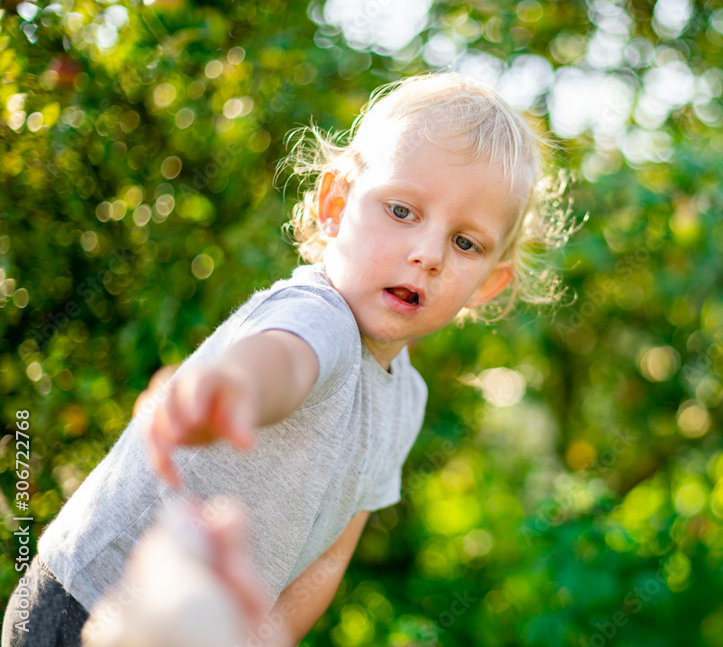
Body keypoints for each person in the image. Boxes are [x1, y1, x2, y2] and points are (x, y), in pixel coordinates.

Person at [2, 71, 578, 646]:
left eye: (465, 243)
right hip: (87, 598)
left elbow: (328, 556)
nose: (427, 254)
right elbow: (282, 361)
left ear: (489, 283)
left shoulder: (407, 399)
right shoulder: (317, 315)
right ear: (335, 203)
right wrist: (229, 391)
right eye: (402, 211)